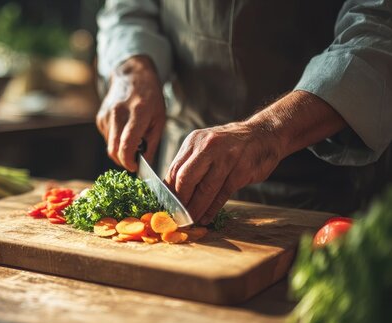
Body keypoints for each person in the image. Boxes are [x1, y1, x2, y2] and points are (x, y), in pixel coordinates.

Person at [95, 0, 392, 224]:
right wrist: (132, 66)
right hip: (179, 174)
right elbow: (128, 10)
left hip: (324, 195)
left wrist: (269, 131)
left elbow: (379, 33)